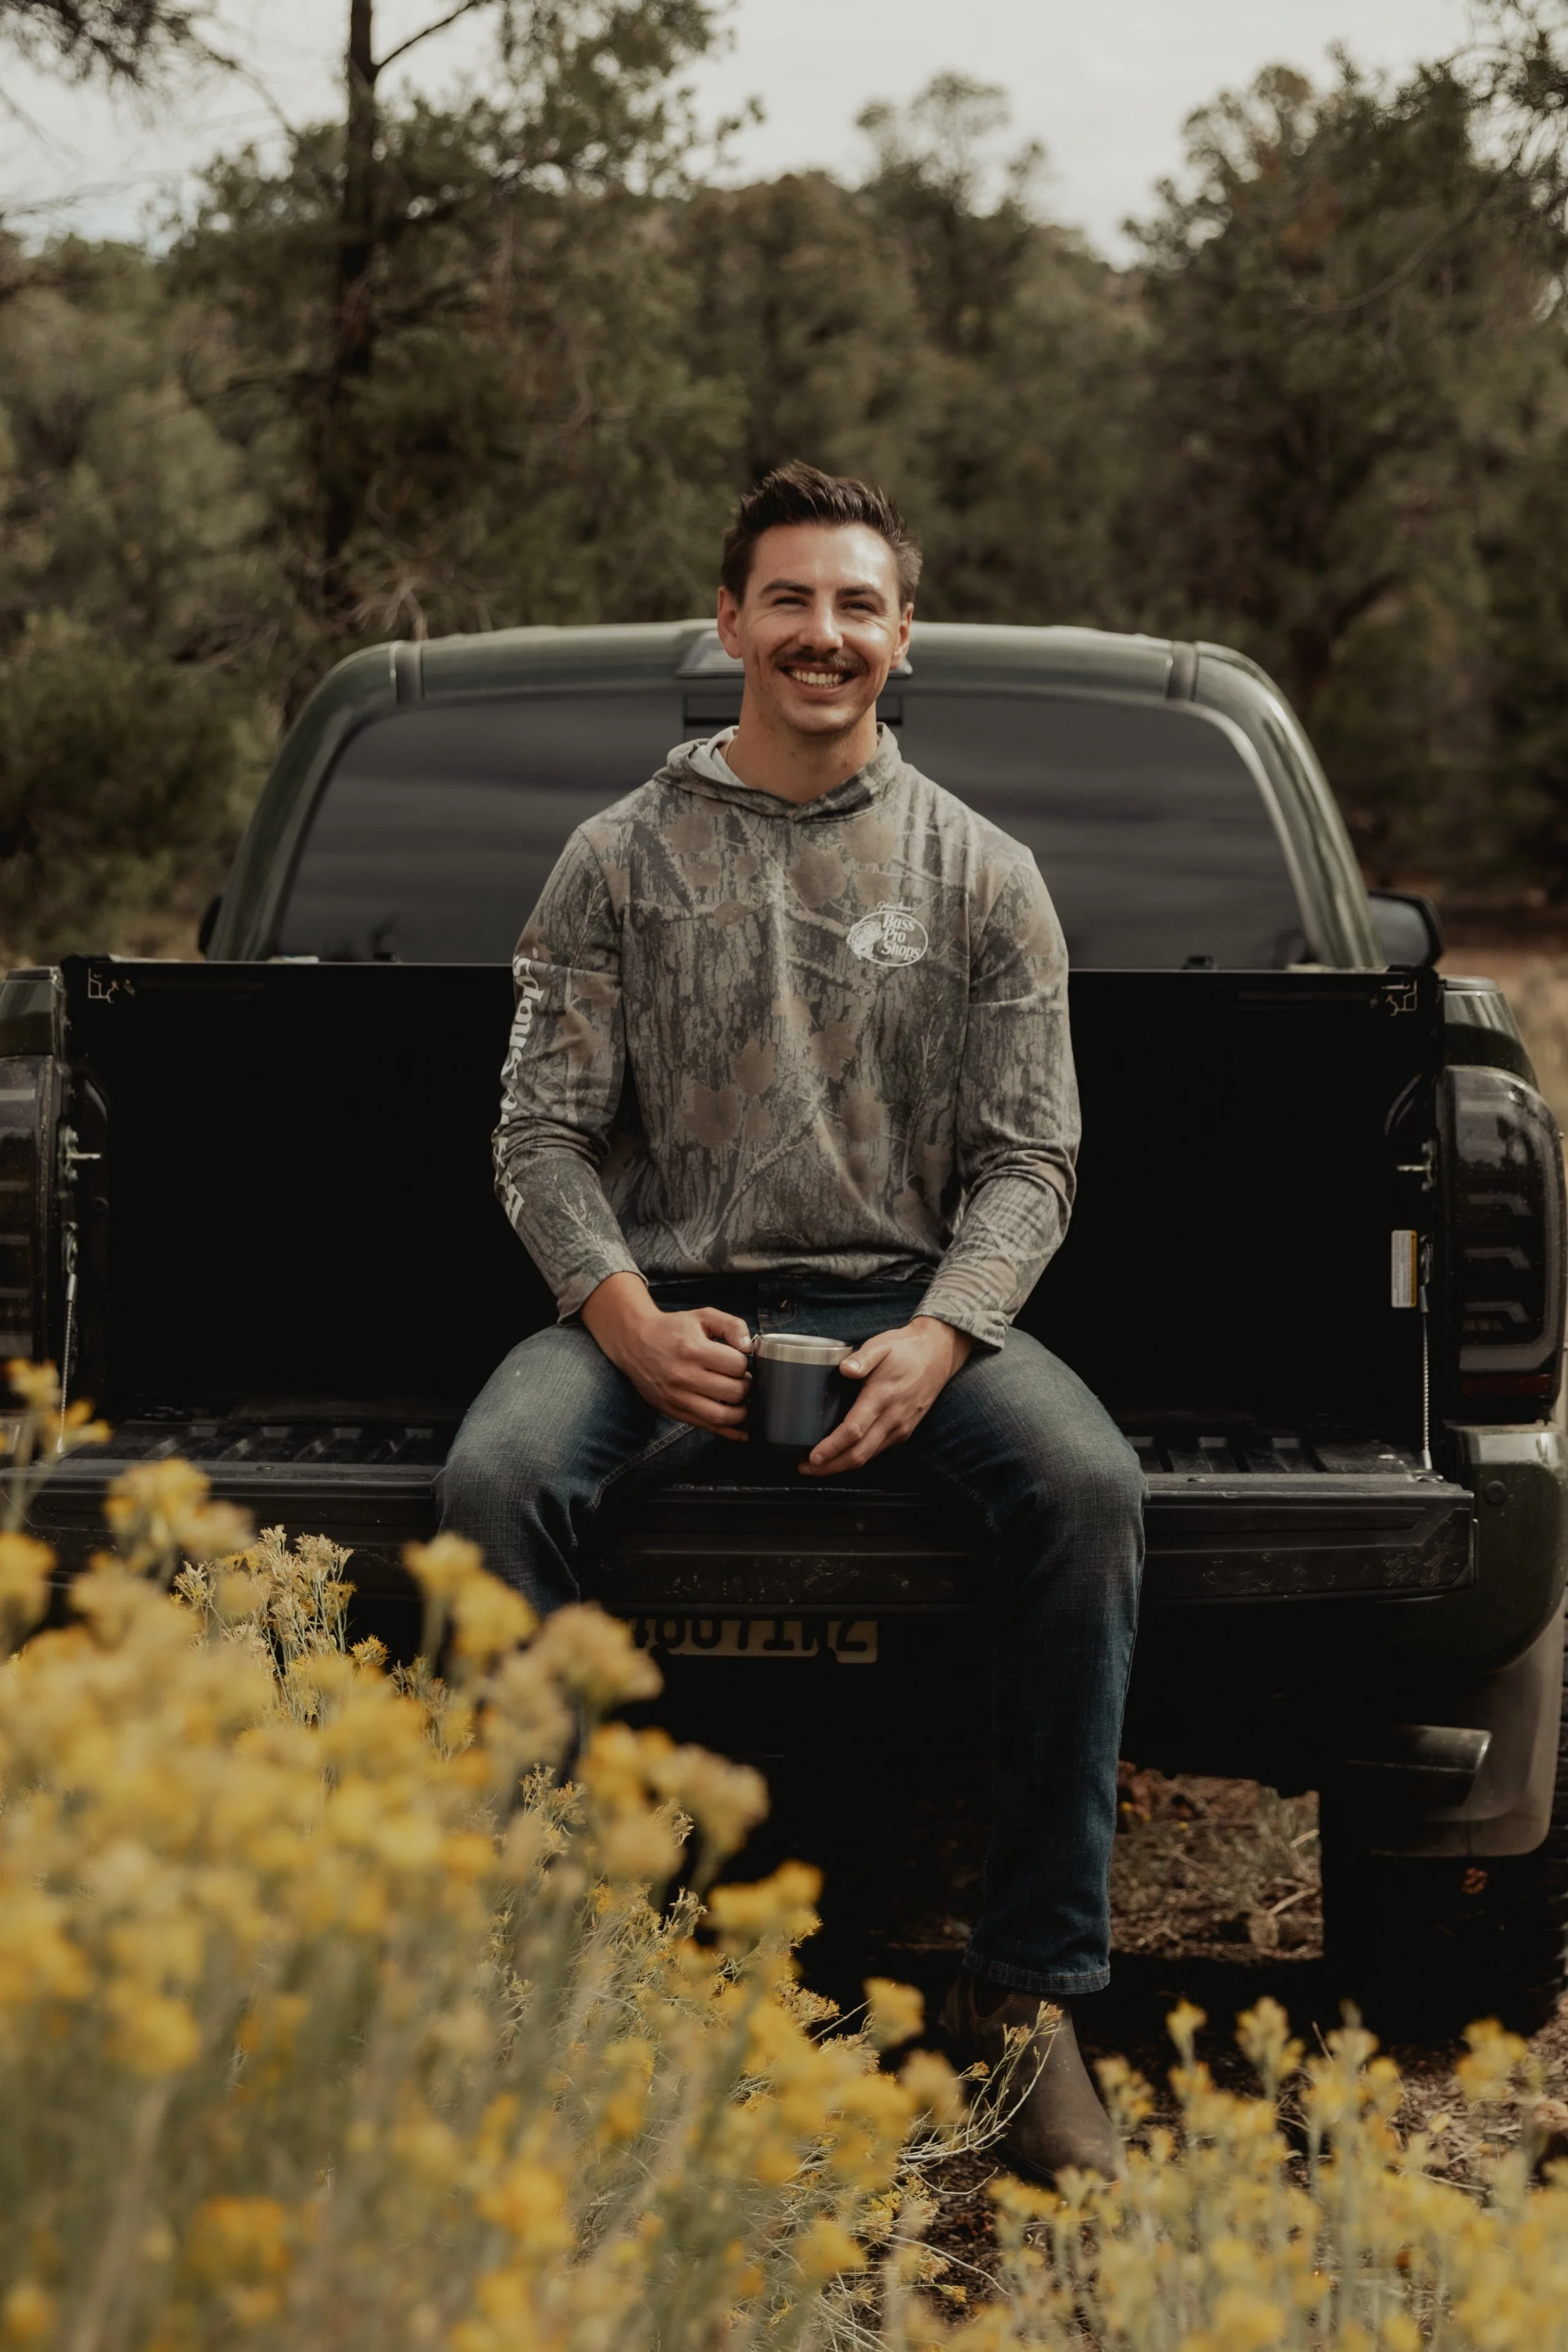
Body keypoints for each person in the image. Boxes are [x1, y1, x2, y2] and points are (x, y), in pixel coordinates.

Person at [439, 461, 1145, 2183]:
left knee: (1089, 1490)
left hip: (902, 1309)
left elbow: (1032, 1160)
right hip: (657, 1306)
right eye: (790, 600)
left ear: (904, 637)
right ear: (729, 622)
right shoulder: (614, 857)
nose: (823, 633)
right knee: (493, 1485)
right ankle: (563, 1970)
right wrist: (621, 1319)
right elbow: (538, 1134)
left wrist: (945, 1334)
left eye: (857, 605)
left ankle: (1027, 1991)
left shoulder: (986, 872)